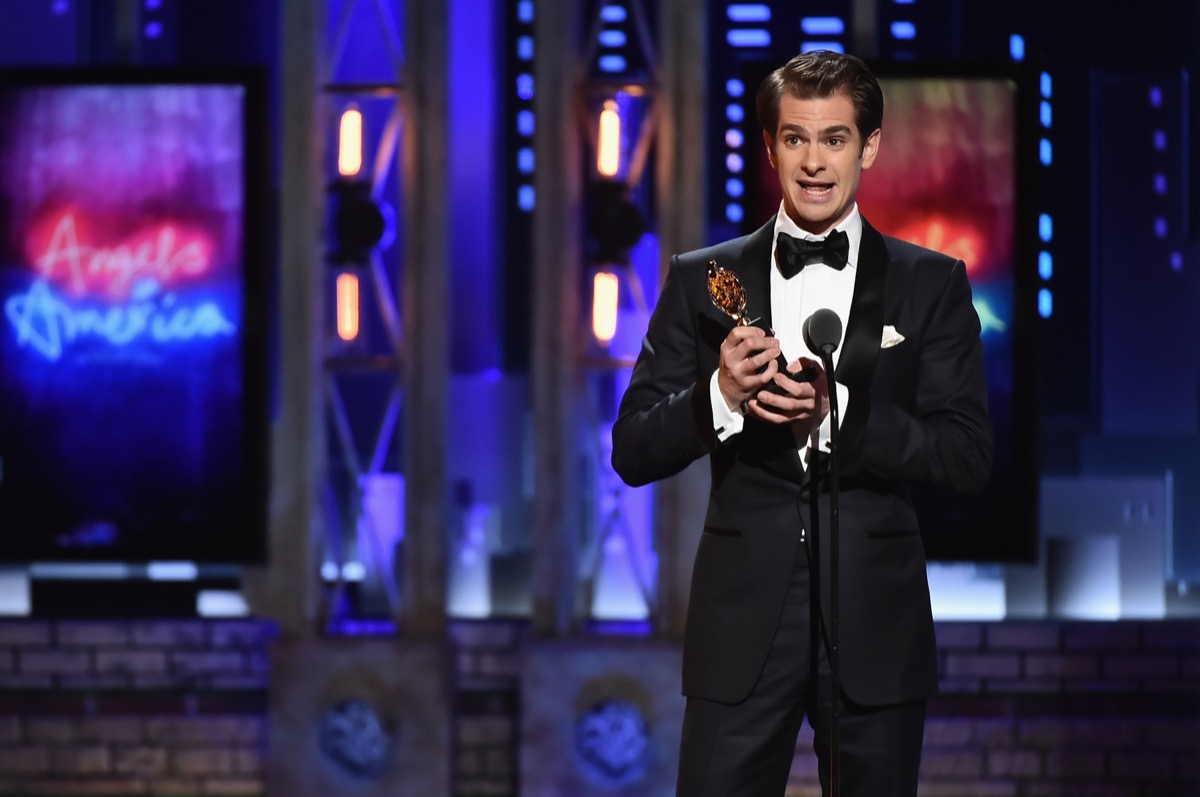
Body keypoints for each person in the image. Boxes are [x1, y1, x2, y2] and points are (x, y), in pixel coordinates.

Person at [610, 50, 993, 797]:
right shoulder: (701, 278)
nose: (814, 162)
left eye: (835, 139)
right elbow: (632, 449)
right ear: (770, 146)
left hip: (876, 627)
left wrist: (840, 412)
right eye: (795, 139)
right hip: (740, 625)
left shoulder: (931, 284)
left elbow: (967, 454)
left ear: (870, 146)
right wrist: (719, 395)